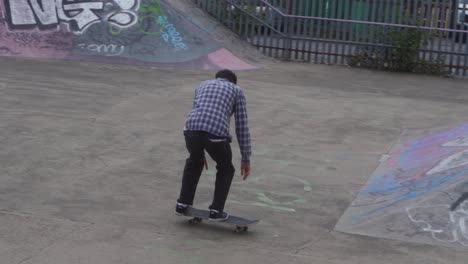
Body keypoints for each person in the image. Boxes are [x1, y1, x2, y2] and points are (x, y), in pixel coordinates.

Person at [175, 69, 251, 221]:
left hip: (190, 130)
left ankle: (182, 204)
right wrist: (245, 158)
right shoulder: (236, 90)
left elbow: (198, 111)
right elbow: (241, 126)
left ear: (217, 78)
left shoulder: (202, 85)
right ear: (233, 81)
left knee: (194, 162)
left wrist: (199, 153)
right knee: (226, 168)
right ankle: (216, 210)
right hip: (216, 136)